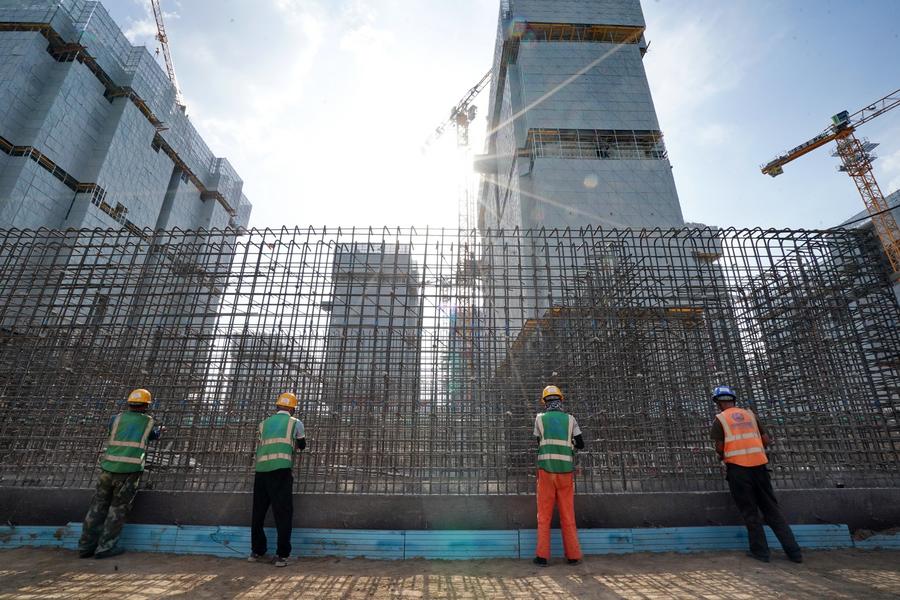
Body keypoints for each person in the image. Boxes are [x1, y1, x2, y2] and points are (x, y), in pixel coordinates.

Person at [710, 385, 802, 564]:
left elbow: (720, 447)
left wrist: (722, 456)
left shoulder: (720, 419)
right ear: (734, 400)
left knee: (750, 512)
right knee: (772, 510)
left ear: (718, 403)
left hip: (738, 470)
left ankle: (761, 553)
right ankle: (794, 553)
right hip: (760, 467)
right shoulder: (751, 416)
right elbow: (766, 440)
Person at [78, 388, 162, 559]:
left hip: (108, 468)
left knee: (97, 507)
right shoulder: (148, 421)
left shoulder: (115, 419)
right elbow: (152, 436)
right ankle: (105, 548)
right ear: (146, 405)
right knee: (117, 509)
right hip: (128, 472)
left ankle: (85, 547)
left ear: (129, 403)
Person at [249, 391, 305, 567]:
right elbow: (302, 445)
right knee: (283, 513)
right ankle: (282, 555)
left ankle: (257, 551)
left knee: (258, 513)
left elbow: (260, 443)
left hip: (261, 471)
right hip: (281, 471)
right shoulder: (295, 423)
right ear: (292, 408)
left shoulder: (263, 424)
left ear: (277, 406)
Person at [533, 384, 584, 566]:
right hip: (565, 472)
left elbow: (538, 442)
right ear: (560, 400)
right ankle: (573, 556)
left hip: (546, 471)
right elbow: (580, 444)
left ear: (545, 401)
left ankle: (542, 557)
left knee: (544, 515)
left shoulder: (540, 419)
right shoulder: (571, 420)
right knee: (568, 515)